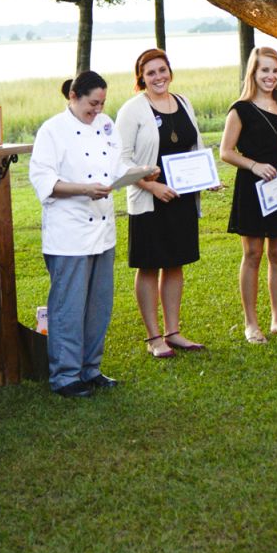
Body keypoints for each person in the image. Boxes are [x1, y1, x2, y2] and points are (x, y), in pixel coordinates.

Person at [29, 72, 153, 397]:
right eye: (92, 103)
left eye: (101, 103)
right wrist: (83, 189)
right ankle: (65, 376)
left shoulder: (106, 124)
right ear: (74, 95)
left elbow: (114, 171)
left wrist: (140, 173)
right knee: (68, 307)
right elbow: (45, 181)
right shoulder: (52, 130)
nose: (97, 110)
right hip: (68, 234)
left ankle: (91, 368)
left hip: (102, 230)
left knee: (99, 305)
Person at [116, 48, 207, 358]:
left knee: (175, 263)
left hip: (181, 199)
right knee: (149, 265)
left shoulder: (183, 103)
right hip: (149, 201)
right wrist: (152, 186)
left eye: (162, 70)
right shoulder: (132, 109)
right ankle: (154, 338)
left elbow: (196, 147)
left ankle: (174, 331)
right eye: (151, 72)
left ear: (170, 71)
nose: (158, 77)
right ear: (141, 77)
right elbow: (121, 160)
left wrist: (205, 178)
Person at [220, 46, 277, 343]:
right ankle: (251, 324)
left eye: (275, 70)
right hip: (252, 185)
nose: (271, 76)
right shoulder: (240, 109)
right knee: (253, 254)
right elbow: (225, 152)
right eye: (265, 70)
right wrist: (254, 165)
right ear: (253, 74)